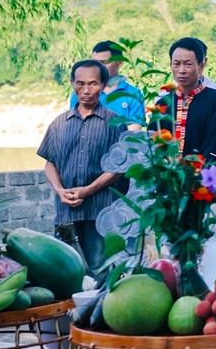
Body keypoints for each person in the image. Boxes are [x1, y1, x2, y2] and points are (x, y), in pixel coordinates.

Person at [39, 60, 127, 271]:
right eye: (80, 83)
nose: (86, 90)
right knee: (66, 271)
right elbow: (49, 163)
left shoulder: (114, 123)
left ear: (104, 85)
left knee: (99, 269)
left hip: (99, 211)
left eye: (93, 84)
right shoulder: (59, 123)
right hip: (66, 212)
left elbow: (118, 168)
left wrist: (87, 191)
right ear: (72, 83)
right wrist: (60, 191)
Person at [151, 37, 216, 161]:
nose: (181, 70)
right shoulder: (162, 103)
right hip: (165, 177)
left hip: (202, 176)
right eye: (176, 64)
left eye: (188, 64)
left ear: (201, 66)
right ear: (170, 65)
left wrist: (193, 173)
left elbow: (213, 146)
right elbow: (153, 144)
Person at [68, 40, 145, 127]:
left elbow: (133, 132)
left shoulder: (134, 94)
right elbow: (73, 125)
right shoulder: (80, 94)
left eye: (104, 62)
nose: (98, 67)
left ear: (119, 63)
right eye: (95, 62)